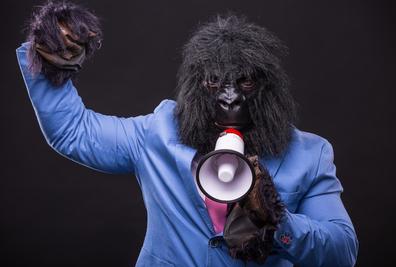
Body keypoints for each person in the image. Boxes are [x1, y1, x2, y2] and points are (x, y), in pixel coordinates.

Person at [17, 1, 358, 266]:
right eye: (214, 83)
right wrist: (51, 56)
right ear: (196, 88)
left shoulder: (309, 154)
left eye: (246, 83)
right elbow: (73, 131)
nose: (230, 97)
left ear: (268, 90)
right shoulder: (158, 133)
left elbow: (343, 250)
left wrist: (277, 225)